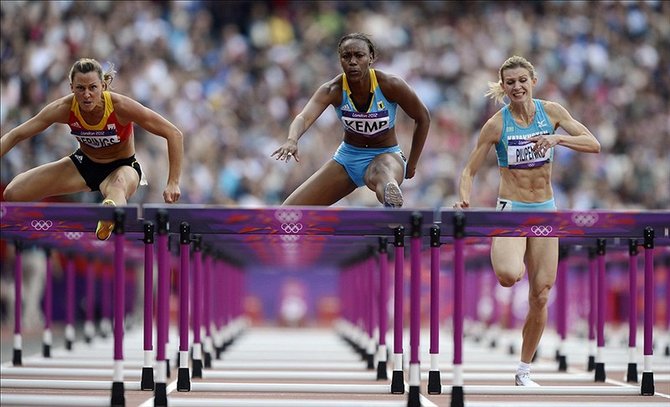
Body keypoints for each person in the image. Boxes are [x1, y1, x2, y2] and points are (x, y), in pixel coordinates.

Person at [454, 55, 601, 386]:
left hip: (546, 209)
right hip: (512, 208)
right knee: (509, 276)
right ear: (503, 87)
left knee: (541, 294)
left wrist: (557, 138)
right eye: (510, 82)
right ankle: (511, 260)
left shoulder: (552, 113)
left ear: (533, 81)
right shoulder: (496, 124)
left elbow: (594, 144)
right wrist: (464, 197)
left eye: (522, 80)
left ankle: (524, 370)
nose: (517, 86)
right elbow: (469, 169)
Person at [1, 58, 183, 240]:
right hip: (84, 165)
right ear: (71, 87)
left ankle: (109, 215)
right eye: (80, 88)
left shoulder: (121, 107)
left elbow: (173, 133)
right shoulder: (63, 108)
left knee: (118, 186)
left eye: (92, 88)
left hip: (122, 167)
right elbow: (16, 134)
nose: (86, 94)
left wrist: (173, 181)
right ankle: (106, 213)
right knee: (13, 193)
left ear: (103, 86)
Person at [271, 33, 430, 207]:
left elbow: (422, 117)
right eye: (346, 56)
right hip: (348, 159)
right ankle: (390, 205)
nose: (352, 62)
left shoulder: (390, 85)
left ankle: (391, 203)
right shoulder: (333, 89)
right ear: (340, 60)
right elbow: (304, 117)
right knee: (289, 211)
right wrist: (292, 140)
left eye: (359, 56)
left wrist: (412, 164)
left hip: (386, 155)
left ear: (371, 58)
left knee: (381, 174)